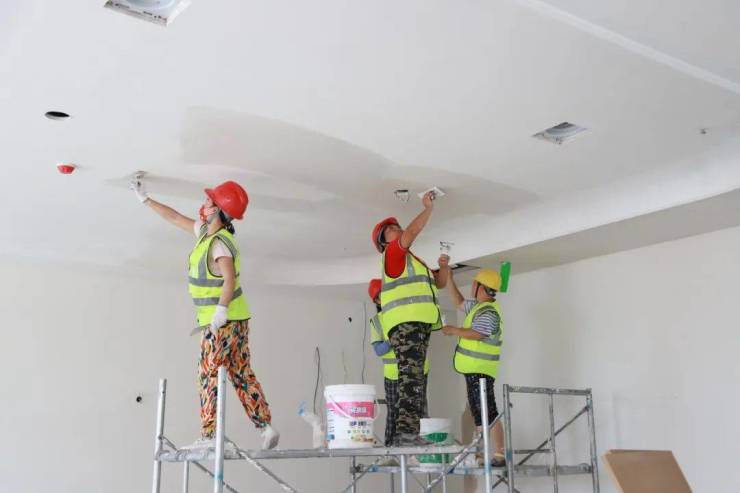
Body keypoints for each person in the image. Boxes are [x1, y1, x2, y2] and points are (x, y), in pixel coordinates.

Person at [131, 178, 279, 450]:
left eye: (209, 202)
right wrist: (146, 199)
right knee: (241, 372)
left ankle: (210, 437)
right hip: (236, 319)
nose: (204, 204)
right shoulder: (206, 235)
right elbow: (175, 218)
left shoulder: (219, 244)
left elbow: (229, 279)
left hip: (221, 322)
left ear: (219, 211)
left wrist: (220, 311)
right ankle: (265, 427)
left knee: (209, 375)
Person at [371, 191, 450, 446]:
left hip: (417, 324)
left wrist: (444, 267)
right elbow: (412, 232)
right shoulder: (392, 256)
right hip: (406, 324)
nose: (397, 229)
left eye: (397, 226)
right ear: (384, 244)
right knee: (411, 380)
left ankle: (408, 434)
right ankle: (406, 435)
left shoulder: (414, 263)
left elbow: (439, 283)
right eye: (390, 230)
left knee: (413, 380)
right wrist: (427, 208)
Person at [442, 268, 505, 466]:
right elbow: (458, 302)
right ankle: (480, 453)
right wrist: (449, 279)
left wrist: (453, 330)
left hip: (481, 370)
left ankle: (500, 454)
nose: (472, 286)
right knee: (479, 413)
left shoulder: (489, 312)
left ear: (481, 287)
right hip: (474, 370)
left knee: (488, 411)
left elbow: (478, 333)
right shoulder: (478, 307)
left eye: (474, 283)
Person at [367, 279, 432, 448]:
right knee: (395, 412)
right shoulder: (377, 321)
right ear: (377, 301)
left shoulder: (408, 311)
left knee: (419, 408)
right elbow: (379, 350)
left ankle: (420, 447)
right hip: (393, 375)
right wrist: (392, 339)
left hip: (417, 371)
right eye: (382, 294)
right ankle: (391, 448)